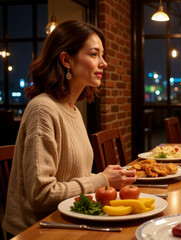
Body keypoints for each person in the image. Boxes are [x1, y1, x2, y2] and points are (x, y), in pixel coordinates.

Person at [3, 20, 137, 237]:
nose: (104, 63)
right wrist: (102, 180)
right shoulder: (43, 109)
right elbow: (41, 195)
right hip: (37, 231)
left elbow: (75, 177)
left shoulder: (73, 110)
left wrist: (110, 180)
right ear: (66, 59)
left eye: (102, 55)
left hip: (71, 222)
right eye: (94, 54)